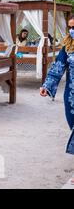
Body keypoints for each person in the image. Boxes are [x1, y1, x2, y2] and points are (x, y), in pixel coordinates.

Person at [40, 15, 74, 156]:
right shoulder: (68, 47)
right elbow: (58, 67)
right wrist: (47, 85)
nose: (72, 30)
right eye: (70, 27)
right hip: (72, 97)